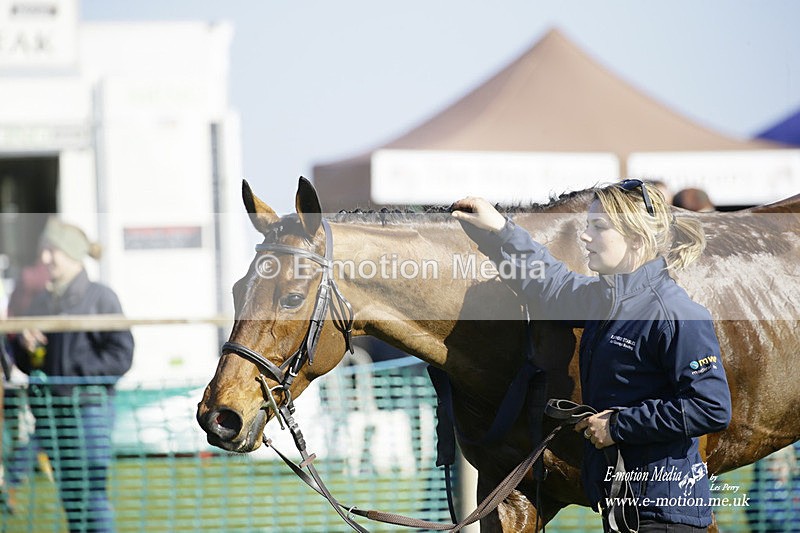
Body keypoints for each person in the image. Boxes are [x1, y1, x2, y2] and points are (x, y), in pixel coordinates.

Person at [451, 179, 731, 532]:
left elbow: (711, 407)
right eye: (588, 226)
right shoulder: (605, 299)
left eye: (599, 227)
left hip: (664, 513)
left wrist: (618, 426)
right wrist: (499, 230)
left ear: (636, 239)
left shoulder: (675, 313)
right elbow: (550, 284)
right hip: (624, 504)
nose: (585, 237)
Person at [7, 217, 134, 532]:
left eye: (52, 251)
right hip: (54, 414)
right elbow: (30, 364)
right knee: (71, 497)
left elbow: (121, 355)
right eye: (44, 251)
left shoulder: (101, 298)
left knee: (92, 497)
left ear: (73, 254)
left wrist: (74, 375)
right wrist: (27, 347)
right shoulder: (41, 302)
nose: (45, 259)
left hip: (91, 409)